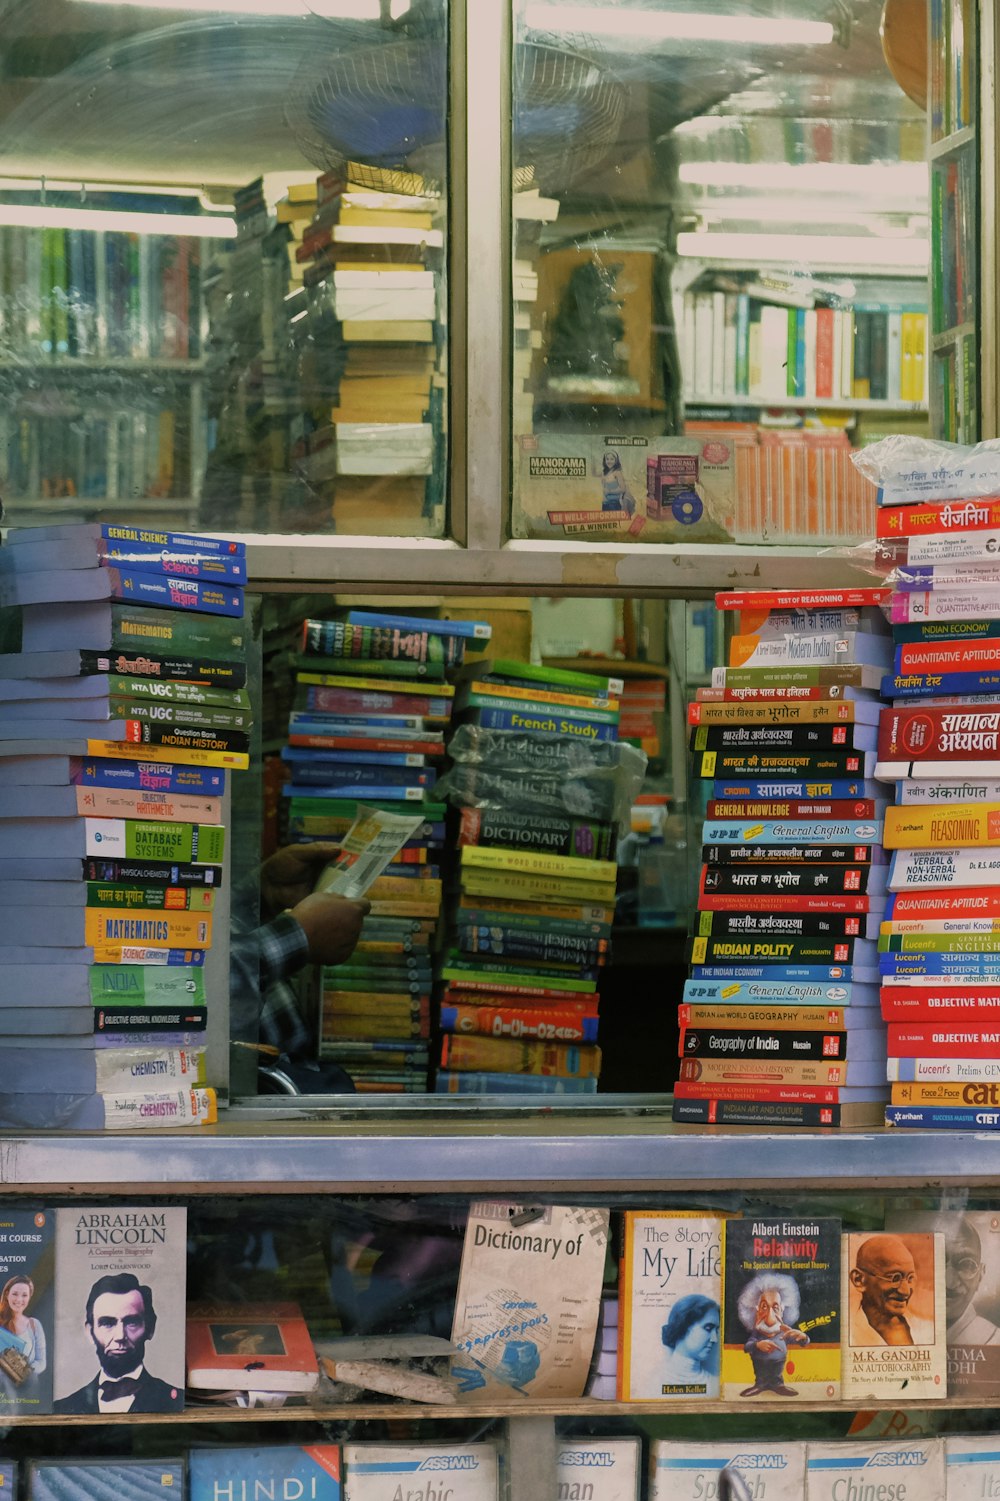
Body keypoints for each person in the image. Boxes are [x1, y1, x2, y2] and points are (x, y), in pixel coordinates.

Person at [230, 841, 370, 1065]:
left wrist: (262, 890)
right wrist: (298, 935)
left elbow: (204, 929)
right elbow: (197, 988)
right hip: (257, 1087)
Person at [53, 1272, 181, 1414]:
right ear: (90, 1332)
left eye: (131, 1322)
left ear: (150, 1328)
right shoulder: (62, 1408)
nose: (120, 1336)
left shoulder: (174, 1401)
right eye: (107, 1323)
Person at [848, 1233, 935, 1347]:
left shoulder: (928, 1331)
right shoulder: (849, 1335)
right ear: (859, 1280)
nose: (905, 1292)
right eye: (894, 1278)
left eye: (910, 1278)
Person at [736, 1274, 808, 1396]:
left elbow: (803, 1342)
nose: (770, 1316)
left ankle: (778, 1385)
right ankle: (760, 1385)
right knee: (761, 1379)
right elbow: (747, 1347)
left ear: (782, 1309)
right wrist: (757, 1345)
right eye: (764, 1307)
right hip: (760, 1366)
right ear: (756, 1310)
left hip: (778, 1365)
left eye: (775, 1308)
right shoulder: (757, 1333)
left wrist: (803, 1337)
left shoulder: (785, 1332)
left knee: (777, 1379)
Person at [941, 1216, 1000, 1346]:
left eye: (966, 1264)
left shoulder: (994, 1340)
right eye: (937, 1261)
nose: (949, 1283)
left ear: (980, 1275)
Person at [660, 1294, 720, 1383]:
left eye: (716, 1331)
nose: (715, 1339)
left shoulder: (714, 1383)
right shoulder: (654, 1381)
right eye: (708, 1328)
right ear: (683, 1325)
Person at [0, 1275, 46, 1375]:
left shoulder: (34, 1325)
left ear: (29, 1298)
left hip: (24, 1386)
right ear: (7, 1295)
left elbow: (41, 1362)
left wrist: (24, 1370)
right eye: (15, 1294)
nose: (19, 1299)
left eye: (24, 1295)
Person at [600, 449, 636, 516]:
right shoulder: (604, 473)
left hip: (614, 504)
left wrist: (609, 491)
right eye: (607, 459)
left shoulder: (617, 473)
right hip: (605, 503)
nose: (609, 461)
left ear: (616, 461)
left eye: (612, 459)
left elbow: (623, 489)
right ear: (604, 461)